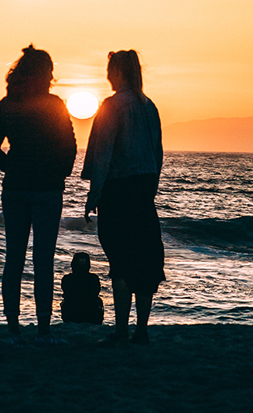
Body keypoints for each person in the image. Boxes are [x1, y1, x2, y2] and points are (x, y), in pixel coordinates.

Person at [0, 45, 77, 347]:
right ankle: (44, 332)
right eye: (49, 72)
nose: (52, 77)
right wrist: (58, 172)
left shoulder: (8, 104)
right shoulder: (54, 104)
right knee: (43, 261)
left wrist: (13, 168)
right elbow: (70, 146)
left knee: (15, 259)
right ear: (43, 73)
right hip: (47, 190)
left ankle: (13, 330)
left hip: (16, 189)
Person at [81, 49, 165, 346]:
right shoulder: (149, 106)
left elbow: (103, 154)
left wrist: (94, 193)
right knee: (145, 260)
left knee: (120, 260)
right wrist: (150, 187)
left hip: (118, 190)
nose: (106, 75)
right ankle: (141, 329)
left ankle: (120, 330)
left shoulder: (112, 106)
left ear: (116, 72)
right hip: (143, 191)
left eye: (109, 70)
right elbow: (158, 152)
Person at [60, 252, 104, 325]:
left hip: (71, 315)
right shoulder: (94, 278)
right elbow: (96, 292)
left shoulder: (67, 279)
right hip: (91, 315)